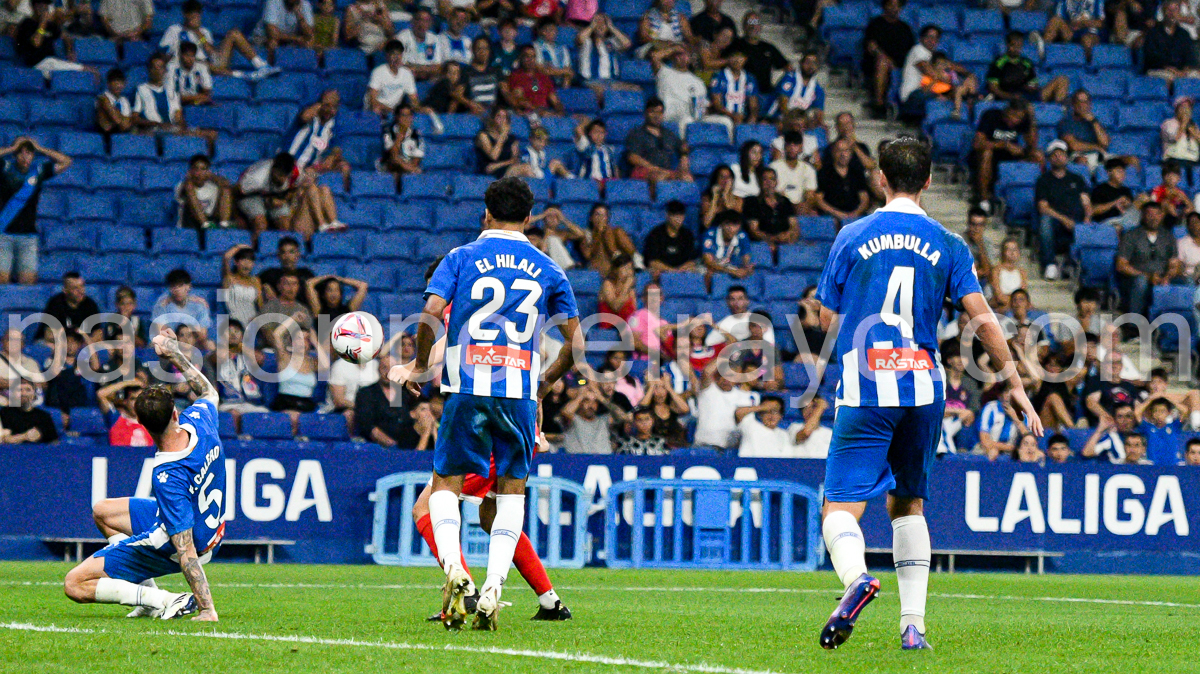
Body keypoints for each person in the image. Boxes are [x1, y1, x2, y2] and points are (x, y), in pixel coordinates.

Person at [812, 137, 1042, 650]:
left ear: (879, 179)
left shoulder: (852, 235)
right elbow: (982, 319)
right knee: (908, 505)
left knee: (839, 506)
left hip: (869, 383)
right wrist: (1015, 382)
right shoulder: (949, 243)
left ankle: (856, 581)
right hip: (924, 385)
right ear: (930, 181)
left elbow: (828, 321)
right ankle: (912, 626)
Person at [400, 177, 581, 631]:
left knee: (445, 484)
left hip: (466, 388)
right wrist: (541, 388)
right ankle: (494, 587)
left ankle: (457, 573)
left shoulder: (460, 258)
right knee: (510, 494)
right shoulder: (549, 269)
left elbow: (430, 313)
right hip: (518, 392)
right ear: (527, 218)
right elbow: (577, 347)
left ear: (485, 214)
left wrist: (421, 365)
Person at [63, 327, 223, 621]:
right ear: (175, 414)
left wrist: (207, 608)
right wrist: (175, 354)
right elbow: (208, 391)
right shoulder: (200, 421)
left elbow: (184, 549)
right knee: (103, 511)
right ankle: (146, 598)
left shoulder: (167, 474)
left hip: (190, 544)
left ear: (143, 427)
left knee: (74, 583)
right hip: (212, 529)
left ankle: (164, 599)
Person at [0, 137, 71, 285]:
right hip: (3, 234)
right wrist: (12, 148)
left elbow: (66, 161)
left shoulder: (38, 171)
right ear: (14, 155)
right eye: (20, 152)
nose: (25, 156)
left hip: (28, 237)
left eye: (29, 152)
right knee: (2, 281)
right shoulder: (5, 168)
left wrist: (39, 148)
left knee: (28, 283)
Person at [160, 0, 274, 77]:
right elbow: (165, 53)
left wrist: (197, 32)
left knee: (234, 33)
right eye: (192, 16)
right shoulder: (174, 30)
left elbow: (212, 53)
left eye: (197, 15)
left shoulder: (204, 32)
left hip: (209, 64)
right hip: (186, 65)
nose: (195, 18)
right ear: (185, 15)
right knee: (199, 63)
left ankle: (260, 65)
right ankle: (238, 74)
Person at [132, 53, 218, 150]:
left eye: (160, 68)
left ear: (164, 70)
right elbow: (135, 118)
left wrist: (181, 124)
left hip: (172, 128)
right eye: (154, 68)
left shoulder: (172, 91)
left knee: (211, 134)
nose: (157, 71)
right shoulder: (141, 90)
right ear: (149, 70)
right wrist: (154, 124)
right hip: (153, 130)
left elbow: (178, 116)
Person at [1037, 139, 1092, 280]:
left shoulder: (1077, 179)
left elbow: (1086, 202)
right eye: (1054, 155)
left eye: (1061, 154)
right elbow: (1043, 207)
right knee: (1045, 222)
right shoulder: (1044, 180)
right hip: (1056, 220)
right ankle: (1050, 264)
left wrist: (1087, 218)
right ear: (1049, 159)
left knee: (1087, 227)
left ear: (1067, 157)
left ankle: (1072, 265)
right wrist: (1064, 219)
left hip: (1077, 220)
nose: (1058, 157)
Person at [971, 98, 1040, 212]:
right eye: (1013, 115)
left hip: (1010, 156)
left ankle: (1032, 197)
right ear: (1007, 110)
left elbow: (1032, 145)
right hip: (987, 155)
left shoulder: (1024, 120)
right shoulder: (991, 115)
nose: (1015, 120)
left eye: (1019, 118)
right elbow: (978, 144)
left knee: (1037, 156)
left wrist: (1032, 119)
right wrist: (1004, 145)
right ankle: (984, 199)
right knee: (987, 153)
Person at [1117, 202, 1184, 317]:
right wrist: (1147, 276)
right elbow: (1121, 265)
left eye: (1157, 214)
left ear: (1161, 215)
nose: (1153, 218)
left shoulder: (1168, 236)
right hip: (1138, 276)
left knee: (1186, 281)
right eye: (1149, 215)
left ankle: (1186, 323)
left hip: (1163, 276)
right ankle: (1135, 323)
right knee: (1141, 281)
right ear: (1143, 215)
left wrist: (1167, 277)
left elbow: (1174, 263)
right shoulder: (1131, 235)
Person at [861, 0, 914, 118]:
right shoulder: (875, 24)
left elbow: (910, 52)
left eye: (897, 6)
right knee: (882, 62)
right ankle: (878, 104)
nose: (894, 8)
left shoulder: (905, 28)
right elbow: (871, 46)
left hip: (900, 64)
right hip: (876, 63)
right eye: (891, 5)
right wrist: (885, 58)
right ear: (885, 6)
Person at [986, 31, 1070, 104]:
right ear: (1007, 45)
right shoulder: (998, 62)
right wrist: (1010, 96)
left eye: (1019, 46)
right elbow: (993, 87)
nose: (1016, 49)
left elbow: (1033, 83)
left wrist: (1031, 87)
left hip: (1028, 96)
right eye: (1013, 46)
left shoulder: (1027, 62)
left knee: (1062, 80)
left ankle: (1060, 110)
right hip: (1009, 99)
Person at [14, 0, 91, 76]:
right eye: (40, 5)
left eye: (46, 5)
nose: (44, 8)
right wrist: (43, 23)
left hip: (50, 63)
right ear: (33, 7)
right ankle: (83, 68)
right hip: (35, 65)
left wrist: (69, 50)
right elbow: (36, 43)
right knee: (82, 70)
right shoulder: (27, 23)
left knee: (70, 76)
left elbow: (65, 36)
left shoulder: (50, 25)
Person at [625, 97, 692, 183]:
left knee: (687, 178)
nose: (657, 115)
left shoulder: (669, 134)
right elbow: (633, 157)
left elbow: (683, 148)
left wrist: (684, 155)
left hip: (666, 172)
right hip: (645, 171)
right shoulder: (637, 133)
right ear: (646, 113)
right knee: (660, 177)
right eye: (652, 112)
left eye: (660, 112)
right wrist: (654, 168)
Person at [234, 153, 300, 237]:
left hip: (274, 196)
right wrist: (237, 216)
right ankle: (256, 248)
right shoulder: (257, 178)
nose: (282, 179)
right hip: (250, 195)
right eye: (280, 175)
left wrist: (283, 200)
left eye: (285, 176)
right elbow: (235, 192)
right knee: (260, 224)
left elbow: (293, 191)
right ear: (273, 169)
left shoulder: (295, 173)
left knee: (285, 224)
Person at [723, 12, 786, 99]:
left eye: (755, 23)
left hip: (765, 94)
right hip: (740, 95)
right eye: (750, 22)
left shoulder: (769, 48)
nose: (752, 26)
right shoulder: (735, 45)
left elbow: (787, 67)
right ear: (744, 26)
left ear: (760, 26)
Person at [576, 13, 636, 97]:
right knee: (601, 91)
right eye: (597, 22)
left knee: (635, 89)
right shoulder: (587, 41)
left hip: (611, 81)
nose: (600, 25)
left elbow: (627, 44)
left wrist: (611, 27)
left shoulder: (611, 42)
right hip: (590, 80)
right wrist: (592, 25)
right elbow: (580, 38)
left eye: (603, 23)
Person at [652, 45, 709, 131]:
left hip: (692, 116)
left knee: (724, 121)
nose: (682, 57)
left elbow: (701, 107)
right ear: (672, 57)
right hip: (669, 115)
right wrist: (673, 49)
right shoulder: (664, 72)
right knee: (687, 120)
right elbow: (654, 56)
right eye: (678, 55)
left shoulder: (698, 82)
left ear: (689, 58)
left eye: (685, 55)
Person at [152, 268, 214, 348]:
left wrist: (188, 338)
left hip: (193, 342)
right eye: (173, 286)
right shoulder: (161, 305)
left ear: (189, 286)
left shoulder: (199, 305)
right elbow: (163, 332)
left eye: (181, 285)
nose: (177, 290)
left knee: (210, 345)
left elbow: (202, 335)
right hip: (171, 343)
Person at [816, 137, 870, 223]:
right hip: (831, 217)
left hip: (856, 216)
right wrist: (837, 213)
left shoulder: (857, 172)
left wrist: (855, 213)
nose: (843, 154)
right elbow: (819, 200)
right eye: (839, 151)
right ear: (833, 152)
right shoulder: (824, 172)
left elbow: (864, 198)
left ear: (851, 153)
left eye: (846, 151)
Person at [1143, 0, 1200, 81]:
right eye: (1169, 10)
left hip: (1180, 71)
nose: (1172, 14)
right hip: (1159, 70)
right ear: (1163, 11)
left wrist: (1185, 70)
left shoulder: (1184, 34)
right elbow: (1152, 57)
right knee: (1171, 79)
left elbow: (1189, 56)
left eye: (1175, 10)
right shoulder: (1153, 33)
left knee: (1196, 76)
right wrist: (1169, 68)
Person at [744, 168, 800, 249]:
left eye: (772, 179)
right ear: (760, 182)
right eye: (765, 179)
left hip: (785, 244)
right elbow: (754, 230)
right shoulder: (752, 202)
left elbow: (794, 226)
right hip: (763, 245)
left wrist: (788, 237)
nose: (769, 183)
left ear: (776, 182)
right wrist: (771, 239)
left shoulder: (785, 202)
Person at [504, 45, 565, 118]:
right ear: (521, 58)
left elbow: (555, 100)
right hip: (527, 114)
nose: (530, 59)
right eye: (527, 56)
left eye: (533, 56)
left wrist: (559, 111)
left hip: (545, 113)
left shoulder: (543, 77)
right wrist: (537, 110)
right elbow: (520, 99)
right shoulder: (515, 76)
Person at [176, 154, 233, 230]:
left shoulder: (213, 186)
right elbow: (187, 188)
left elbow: (226, 184)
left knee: (225, 189)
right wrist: (188, 178)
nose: (199, 173)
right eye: (196, 169)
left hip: (212, 220)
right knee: (189, 186)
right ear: (190, 171)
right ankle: (205, 223)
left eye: (203, 169)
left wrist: (212, 177)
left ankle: (224, 223)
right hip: (190, 225)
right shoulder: (182, 186)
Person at [366, 39, 420, 117]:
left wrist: (420, 108)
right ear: (387, 55)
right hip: (379, 110)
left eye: (399, 54)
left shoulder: (407, 73)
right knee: (376, 109)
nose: (397, 58)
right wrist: (391, 110)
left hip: (395, 112)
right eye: (393, 54)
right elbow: (373, 101)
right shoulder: (378, 72)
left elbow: (414, 99)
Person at [708, 49, 759, 128]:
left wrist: (753, 117)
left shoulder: (750, 78)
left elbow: (753, 104)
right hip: (722, 117)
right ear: (728, 59)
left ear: (745, 59)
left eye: (740, 57)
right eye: (734, 57)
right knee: (728, 122)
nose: (737, 60)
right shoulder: (718, 76)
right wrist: (732, 115)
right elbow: (717, 103)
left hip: (742, 118)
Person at [475, 107, 532, 179]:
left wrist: (501, 164)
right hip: (490, 171)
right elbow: (493, 156)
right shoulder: (483, 136)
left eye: (504, 117)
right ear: (492, 118)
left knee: (526, 168)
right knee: (525, 169)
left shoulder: (512, 139)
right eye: (499, 116)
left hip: (504, 168)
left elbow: (514, 160)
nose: (502, 120)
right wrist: (502, 136)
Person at [642, 200, 697, 273]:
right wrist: (671, 271)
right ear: (667, 215)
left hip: (682, 273)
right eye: (675, 216)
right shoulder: (655, 234)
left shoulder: (687, 234)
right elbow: (653, 262)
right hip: (662, 273)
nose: (678, 220)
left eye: (681, 216)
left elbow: (691, 261)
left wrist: (679, 271)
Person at [1040, 0, 1105, 61]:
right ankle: (1042, 52)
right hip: (1071, 32)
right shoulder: (1064, 1)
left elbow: (1101, 23)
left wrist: (1082, 23)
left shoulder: (1097, 1)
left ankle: (1088, 69)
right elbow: (1059, 17)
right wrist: (1074, 25)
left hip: (1091, 32)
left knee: (1087, 40)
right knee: (1055, 21)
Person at [41, 271, 99, 337]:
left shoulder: (90, 304)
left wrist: (86, 342)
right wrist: (66, 342)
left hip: (82, 343)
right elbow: (48, 334)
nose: (81, 291)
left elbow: (98, 332)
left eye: (82, 286)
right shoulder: (55, 303)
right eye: (75, 288)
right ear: (65, 290)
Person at [769, 131, 819, 209]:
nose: (792, 148)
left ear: (801, 148)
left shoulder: (809, 169)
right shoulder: (773, 167)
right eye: (789, 145)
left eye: (795, 145)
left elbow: (810, 193)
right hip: (780, 206)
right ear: (784, 147)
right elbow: (772, 193)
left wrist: (803, 205)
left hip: (801, 208)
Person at [1091, 158, 1144, 229]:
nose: (1122, 174)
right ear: (1109, 172)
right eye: (1119, 171)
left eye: (1124, 172)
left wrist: (1128, 204)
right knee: (1118, 227)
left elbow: (1129, 209)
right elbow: (1094, 210)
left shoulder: (1126, 190)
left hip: (1125, 220)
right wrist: (1115, 202)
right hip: (1107, 223)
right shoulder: (1100, 189)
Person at [259, 235, 314, 300]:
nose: (287, 257)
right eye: (283, 252)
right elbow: (250, 282)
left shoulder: (306, 274)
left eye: (291, 252)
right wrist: (265, 286)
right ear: (278, 255)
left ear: (298, 254)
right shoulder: (269, 274)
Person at [702, 209, 753, 280]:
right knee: (709, 273)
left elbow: (746, 258)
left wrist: (747, 267)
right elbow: (709, 262)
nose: (731, 229)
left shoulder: (742, 235)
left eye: (735, 225)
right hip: (708, 266)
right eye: (728, 224)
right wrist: (732, 271)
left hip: (729, 266)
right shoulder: (710, 234)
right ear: (722, 224)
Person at [0, 379, 56, 443]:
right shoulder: (5, 413)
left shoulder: (44, 416)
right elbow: (5, 440)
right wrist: (25, 436)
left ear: (34, 394)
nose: (24, 393)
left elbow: (54, 442)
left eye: (28, 390)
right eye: (20, 390)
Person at [775, 52, 824, 124]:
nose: (811, 66)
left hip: (800, 123)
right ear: (801, 63)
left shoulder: (818, 89)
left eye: (814, 63)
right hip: (777, 118)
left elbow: (819, 113)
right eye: (807, 62)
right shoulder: (789, 78)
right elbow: (783, 105)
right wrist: (794, 121)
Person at [396, 8, 441, 79]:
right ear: (413, 21)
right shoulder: (402, 37)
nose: (422, 24)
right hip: (408, 76)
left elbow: (438, 65)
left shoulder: (435, 39)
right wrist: (425, 68)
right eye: (419, 20)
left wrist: (418, 69)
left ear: (430, 23)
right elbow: (401, 64)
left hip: (429, 77)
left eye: (426, 21)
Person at [166, 42, 212, 108]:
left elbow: (207, 91)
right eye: (187, 55)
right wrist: (195, 97)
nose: (189, 59)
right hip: (175, 104)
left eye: (192, 56)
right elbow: (171, 95)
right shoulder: (172, 67)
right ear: (181, 55)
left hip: (195, 102)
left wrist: (194, 99)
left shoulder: (201, 67)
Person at [1161, 96, 1200, 172]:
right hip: (1174, 161)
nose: (1186, 111)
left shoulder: (1194, 126)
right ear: (1177, 109)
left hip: (1193, 162)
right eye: (1183, 107)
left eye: (1188, 108)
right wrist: (1183, 123)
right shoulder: (1169, 123)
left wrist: (1194, 133)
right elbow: (1174, 138)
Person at [1151, 161, 1194, 227]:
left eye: (1174, 175)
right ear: (1163, 177)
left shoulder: (1180, 192)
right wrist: (1169, 197)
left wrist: (1184, 198)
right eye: (1168, 175)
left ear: (1179, 178)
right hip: (1162, 216)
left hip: (1178, 213)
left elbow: (1191, 207)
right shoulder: (1157, 190)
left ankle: (1181, 222)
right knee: (1168, 205)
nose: (1171, 178)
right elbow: (1154, 205)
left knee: (1189, 209)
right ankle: (1177, 221)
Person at [95, 68, 134, 135]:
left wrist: (120, 118)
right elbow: (117, 120)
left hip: (122, 132)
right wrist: (122, 119)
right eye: (115, 83)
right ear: (108, 84)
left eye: (120, 83)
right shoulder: (103, 98)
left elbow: (126, 123)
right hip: (106, 134)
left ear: (124, 84)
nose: (118, 86)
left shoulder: (124, 100)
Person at [1177, 211, 1200, 279]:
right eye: (1191, 223)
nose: (1194, 225)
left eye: (1197, 222)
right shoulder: (1182, 243)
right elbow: (1179, 266)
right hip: (1191, 277)